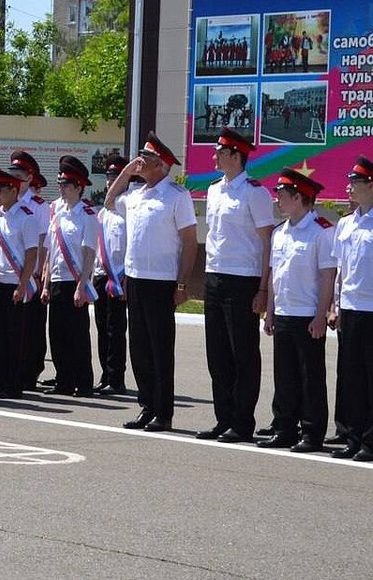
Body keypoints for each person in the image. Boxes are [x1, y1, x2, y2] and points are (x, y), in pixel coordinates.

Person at [104, 132, 198, 432]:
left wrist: (182, 284)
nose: (140, 162)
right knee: (139, 347)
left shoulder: (176, 196)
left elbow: (190, 242)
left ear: (162, 165)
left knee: (160, 348)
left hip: (162, 281)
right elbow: (108, 202)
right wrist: (124, 173)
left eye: (147, 158)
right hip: (135, 278)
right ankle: (146, 405)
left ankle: (163, 412)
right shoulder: (134, 195)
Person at [198, 129, 276, 443]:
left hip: (243, 279)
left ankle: (242, 422)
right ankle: (223, 418)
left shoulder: (255, 193)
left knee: (242, 353)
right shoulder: (214, 189)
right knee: (217, 353)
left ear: (235, 155)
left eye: (219, 151)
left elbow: (266, 242)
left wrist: (262, 288)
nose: (214, 156)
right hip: (215, 276)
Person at [257, 169, 335, 453]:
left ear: (299, 197)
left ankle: (312, 433)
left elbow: (328, 277)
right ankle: (285, 427)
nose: (277, 199)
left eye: (282, 194)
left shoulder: (321, 232)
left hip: (307, 315)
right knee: (285, 376)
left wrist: (320, 315)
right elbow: (276, 274)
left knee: (310, 377)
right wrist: (271, 310)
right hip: (286, 312)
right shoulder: (280, 233)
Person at [0, 167, 43, 399]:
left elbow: (31, 254)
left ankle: (13, 384)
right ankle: (1, 381)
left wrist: (22, 285)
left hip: (14, 283)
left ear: (13, 190)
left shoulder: (26, 217)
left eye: (1, 188)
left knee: (14, 337)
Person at [41, 156, 99, 397]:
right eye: (60, 184)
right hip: (56, 280)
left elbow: (89, 252)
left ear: (78, 187)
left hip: (75, 281)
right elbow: (50, 251)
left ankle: (83, 382)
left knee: (77, 334)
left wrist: (82, 285)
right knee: (57, 333)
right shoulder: (56, 212)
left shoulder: (87, 214)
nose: (62, 189)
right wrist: (45, 284)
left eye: (66, 185)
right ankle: (63, 380)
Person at [330, 156, 373, 460]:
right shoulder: (345, 223)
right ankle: (352, 435)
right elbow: (339, 270)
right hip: (350, 307)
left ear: (370, 185)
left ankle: (370, 440)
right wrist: (334, 305)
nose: (349, 187)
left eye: (354, 183)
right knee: (350, 376)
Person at [9, 150, 51, 390]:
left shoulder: (38, 205)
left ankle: (30, 373)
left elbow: (43, 241)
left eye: (19, 174)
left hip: (30, 273)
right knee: (12, 328)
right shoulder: (7, 201)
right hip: (9, 274)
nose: (15, 177)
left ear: (29, 177)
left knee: (31, 327)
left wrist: (39, 271)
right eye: (13, 172)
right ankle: (11, 371)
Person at [93, 155, 130, 394]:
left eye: (115, 177)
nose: (110, 181)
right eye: (108, 177)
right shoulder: (103, 211)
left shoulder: (127, 208)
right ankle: (105, 375)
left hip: (119, 276)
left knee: (115, 329)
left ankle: (116, 378)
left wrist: (126, 278)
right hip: (100, 275)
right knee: (101, 327)